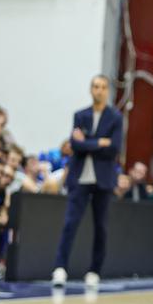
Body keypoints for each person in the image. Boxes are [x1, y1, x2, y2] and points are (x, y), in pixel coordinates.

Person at [51, 75, 122, 288]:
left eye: (102, 87)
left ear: (107, 91)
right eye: (95, 87)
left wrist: (88, 142)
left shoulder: (115, 117)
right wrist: (99, 141)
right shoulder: (80, 115)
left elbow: (114, 148)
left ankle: (94, 271)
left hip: (103, 179)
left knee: (101, 227)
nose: (99, 90)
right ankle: (60, 269)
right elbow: (75, 145)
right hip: (79, 177)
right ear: (91, 90)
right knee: (70, 224)